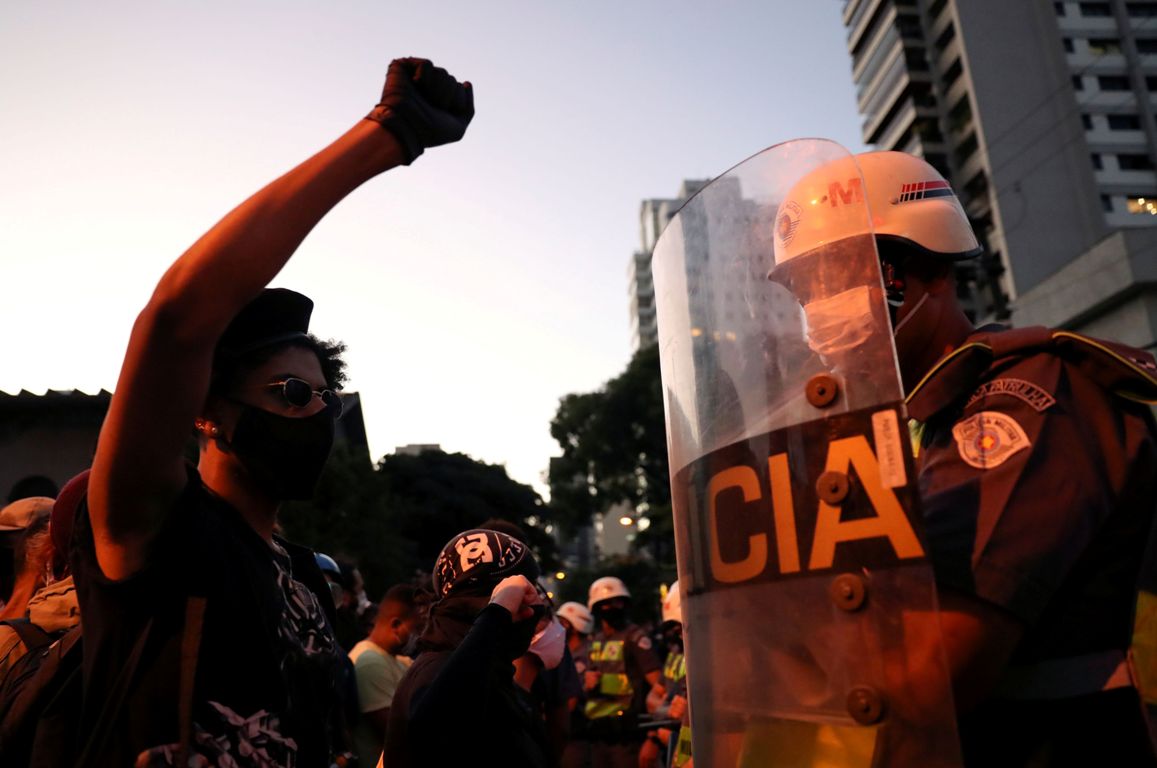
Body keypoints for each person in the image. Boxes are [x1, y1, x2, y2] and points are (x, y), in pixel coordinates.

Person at [72, 56, 474, 767]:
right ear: (205, 411)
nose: (317, 415)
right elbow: (176, 320)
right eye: (290, 394)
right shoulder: (158, 524)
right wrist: (389, 136)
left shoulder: (304, 576)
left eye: (326, 397)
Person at [772, 149, 1157, 765]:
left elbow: (934, 672)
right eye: (806, 290)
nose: (821, 308)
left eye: (844, 274)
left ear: (932, 270)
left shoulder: (1022, 400)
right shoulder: (915, 432)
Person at [384, 528, 550, 768]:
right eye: (526, 590)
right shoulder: (438, 669)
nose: (537, 604)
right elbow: (435, 728)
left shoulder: (486, 670)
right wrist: (497, 614)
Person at [583, 576, 662, 768]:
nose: (613, 607)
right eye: (606, 604)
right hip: (598, 737)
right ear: (596, 608)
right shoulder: (596, 641)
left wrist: (654, 737)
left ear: (626, 604)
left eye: (618, 602)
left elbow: (659, 687)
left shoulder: (635, 637)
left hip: (628, 738)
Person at [348, 584, 418, 767]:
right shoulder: (369, 661)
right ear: (396, 624)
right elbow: (397, 735)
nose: (421, 636)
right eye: (417, 629)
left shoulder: (399, 660)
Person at [641, 582, 691, 768]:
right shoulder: (677, 653)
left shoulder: (710, 657)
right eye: (675, 630)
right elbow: (652, 699)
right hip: (676, 748)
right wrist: (668, 711)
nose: (679, 635)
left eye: (680, 628)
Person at [557, 601, 595, 768]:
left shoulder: (592, 652)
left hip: (579, 732)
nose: (557, 626)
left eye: (563, 622)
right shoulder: (558, 651)